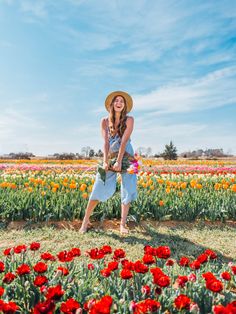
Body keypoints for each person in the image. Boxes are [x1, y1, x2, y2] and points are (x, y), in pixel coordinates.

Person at [79, 91, 138, 234]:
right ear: (112, 104)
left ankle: (123, 224)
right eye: (116, 101)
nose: (119, 103)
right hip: (110, 154)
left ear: (124, 106)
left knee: (128, 188)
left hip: (127, 156)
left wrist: (119, 162)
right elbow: (105, 142)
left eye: (121, 101)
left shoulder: (129, 120)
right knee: (99, 183)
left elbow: (124, 141)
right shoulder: (104, 121)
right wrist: (105, 162)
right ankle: (85, 222)